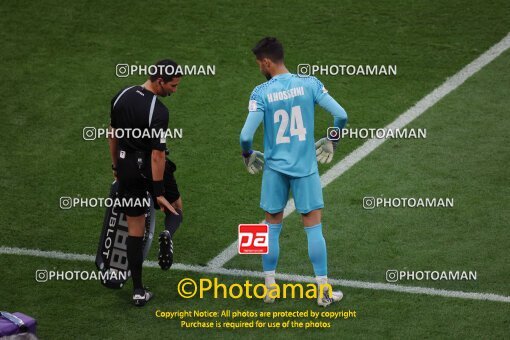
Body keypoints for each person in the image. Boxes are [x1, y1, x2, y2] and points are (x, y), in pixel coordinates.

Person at [240, 37, 348, 307]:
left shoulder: (260, 93)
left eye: (258, 63)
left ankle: (269, 289)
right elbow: (341, 115)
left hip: (275, 171)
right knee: (313, 229)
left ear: (266, 61)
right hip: (305, 169)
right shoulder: (309, 83)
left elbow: (244, 136)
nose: (258, 68)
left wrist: (248, 154)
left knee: (271, 229)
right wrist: (332, 139)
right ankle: (323, 293)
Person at [108, 59, 184, 306]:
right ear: (160, 81)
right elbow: (157, 155)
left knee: (134, 231)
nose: (175, 90)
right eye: (173, 86)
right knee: (176, 210)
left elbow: (113, 134)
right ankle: (167, 233)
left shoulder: (121, 96)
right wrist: (159, 191)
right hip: (151, 170)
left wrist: (116, 168)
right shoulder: (159, 111)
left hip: (127, 169)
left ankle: (138, 290)